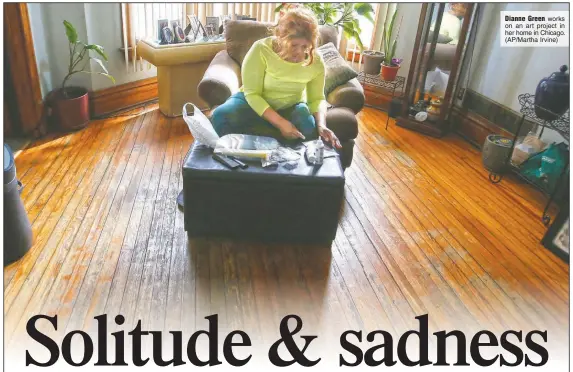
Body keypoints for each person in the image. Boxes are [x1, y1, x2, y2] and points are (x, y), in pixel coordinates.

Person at [210, 7, 341, 148]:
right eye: (294, 45)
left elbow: (317, 99)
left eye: (305, 46)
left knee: (309, 127)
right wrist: (280, 123)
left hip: (291, 105)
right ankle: (240, 157)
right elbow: (252, 94)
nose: (299, 52)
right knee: (219, 116)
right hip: (252, 102)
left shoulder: (315, 60)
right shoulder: (261, 49)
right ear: (280, 37)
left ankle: (284, 161)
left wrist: (322, 125)